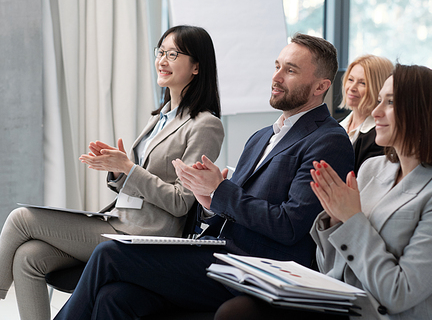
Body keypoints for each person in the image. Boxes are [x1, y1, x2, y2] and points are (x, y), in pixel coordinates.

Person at [53, 33, 354, 320]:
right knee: (114, 297)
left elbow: (290, 225)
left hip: (258, 268)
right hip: (219, 254)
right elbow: (231, 205)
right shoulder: (262, 137)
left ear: (320, 87)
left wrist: (221, 190)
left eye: (290, 70)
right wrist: (207, 199)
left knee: (110, 254)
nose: (276, 77)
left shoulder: (328, 140)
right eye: (277, 67)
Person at [214, 64, 432, 320]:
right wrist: (334, 220)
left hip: (384, 313)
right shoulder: (374, 168)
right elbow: (333, 267)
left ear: (425, 114)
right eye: (378, 101)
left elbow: (398, 294)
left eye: (390, 103)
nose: (375, 112)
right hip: (342, 302)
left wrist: (351, 220)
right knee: (237, 310)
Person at [0, 25, 224, 320]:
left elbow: (182, 202)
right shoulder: (160, 116)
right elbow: (138, 183)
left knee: (22, 218)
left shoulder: (205, 125)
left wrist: (128, 169)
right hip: (119, 221)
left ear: (196, 67)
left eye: (173, 54)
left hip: (146, 234)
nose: (162, 60)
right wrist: (118, 173)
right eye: (160, 52)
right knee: (29, 257)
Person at [339, 54, 393, 174]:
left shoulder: (380, 138)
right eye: (350, 79)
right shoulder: (335, 125)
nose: (352, 88)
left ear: (379, 88)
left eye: (362, 83)